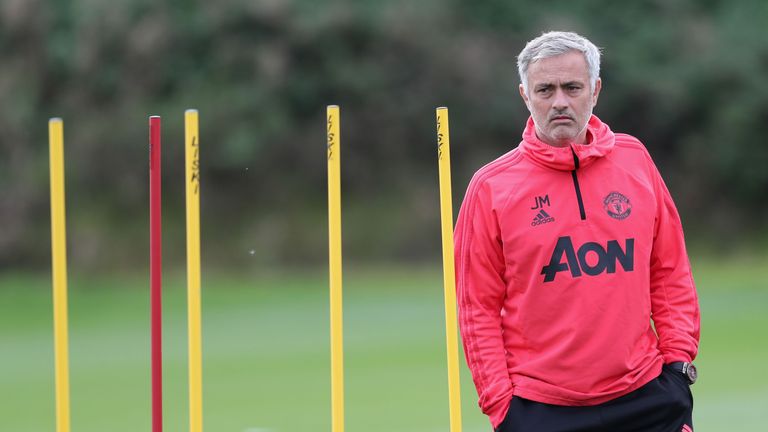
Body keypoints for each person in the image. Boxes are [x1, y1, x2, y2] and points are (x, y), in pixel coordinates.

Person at [454, 31, 700, 432]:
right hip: (541, 409)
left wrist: (678, 364)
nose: (560, 102)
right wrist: (501, 405)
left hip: (648, 396)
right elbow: (475, 308)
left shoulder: (635, 158)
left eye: (572, 87)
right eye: (545, 90)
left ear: (596, 90)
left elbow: (669, 270)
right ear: (525, 95)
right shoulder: (490, 187)